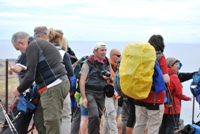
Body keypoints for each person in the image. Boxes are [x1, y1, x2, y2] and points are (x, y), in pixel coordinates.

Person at [11, 31, 70, 134]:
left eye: (19, 49)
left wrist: (19, 90)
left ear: (21, 43)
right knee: (39, 119)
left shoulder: (33, 46)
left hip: (53, 86)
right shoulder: (37, 44)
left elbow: (30, 77)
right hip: (53, 86)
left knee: (51, 121)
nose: (21, 52)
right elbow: (32, 70)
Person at [133, 34, 170, 134]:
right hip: (155, 97)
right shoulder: (160, 56)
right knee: (153, 126)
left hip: (140, 95)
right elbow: (165, 79)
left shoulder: (141, 56)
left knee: (139, 124)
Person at [47, 28, 77, 134]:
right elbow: (71, 75)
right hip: (61, 88)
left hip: (45, 89)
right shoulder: (63, 53)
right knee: (65, 117)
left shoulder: (43, 52)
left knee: (50, 119)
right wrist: (72, 90)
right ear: (59, 38)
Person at [79, 42, 112, 134]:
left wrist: (108, 77)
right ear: (95, 51)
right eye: (102, 50)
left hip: (101, 93)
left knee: (99, 116)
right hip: (89, 92)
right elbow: (82, 80)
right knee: (93, 115)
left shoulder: (107, 62)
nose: (104, 52)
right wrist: (84, 97)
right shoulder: (88, 63)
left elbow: (111, 76)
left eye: (105, 50)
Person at [159, 57, 191, 134]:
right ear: (171, 65)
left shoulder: (163, 74)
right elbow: (179, 93)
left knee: (163, 125)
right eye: (176, 64)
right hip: (173, 107)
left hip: (163, 105)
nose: (178, 66)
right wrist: (186, 98)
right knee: (171, 126)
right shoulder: (173, 77)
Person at [103, 48, 121, 134]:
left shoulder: (118, 67)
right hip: (108, 94)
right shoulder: (107, 65)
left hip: (116, 95)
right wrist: (111, 78)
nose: (119, 57)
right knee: (112, 115)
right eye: (118, 55)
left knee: (108, 116)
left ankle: (105, 132)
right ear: (112, 56)